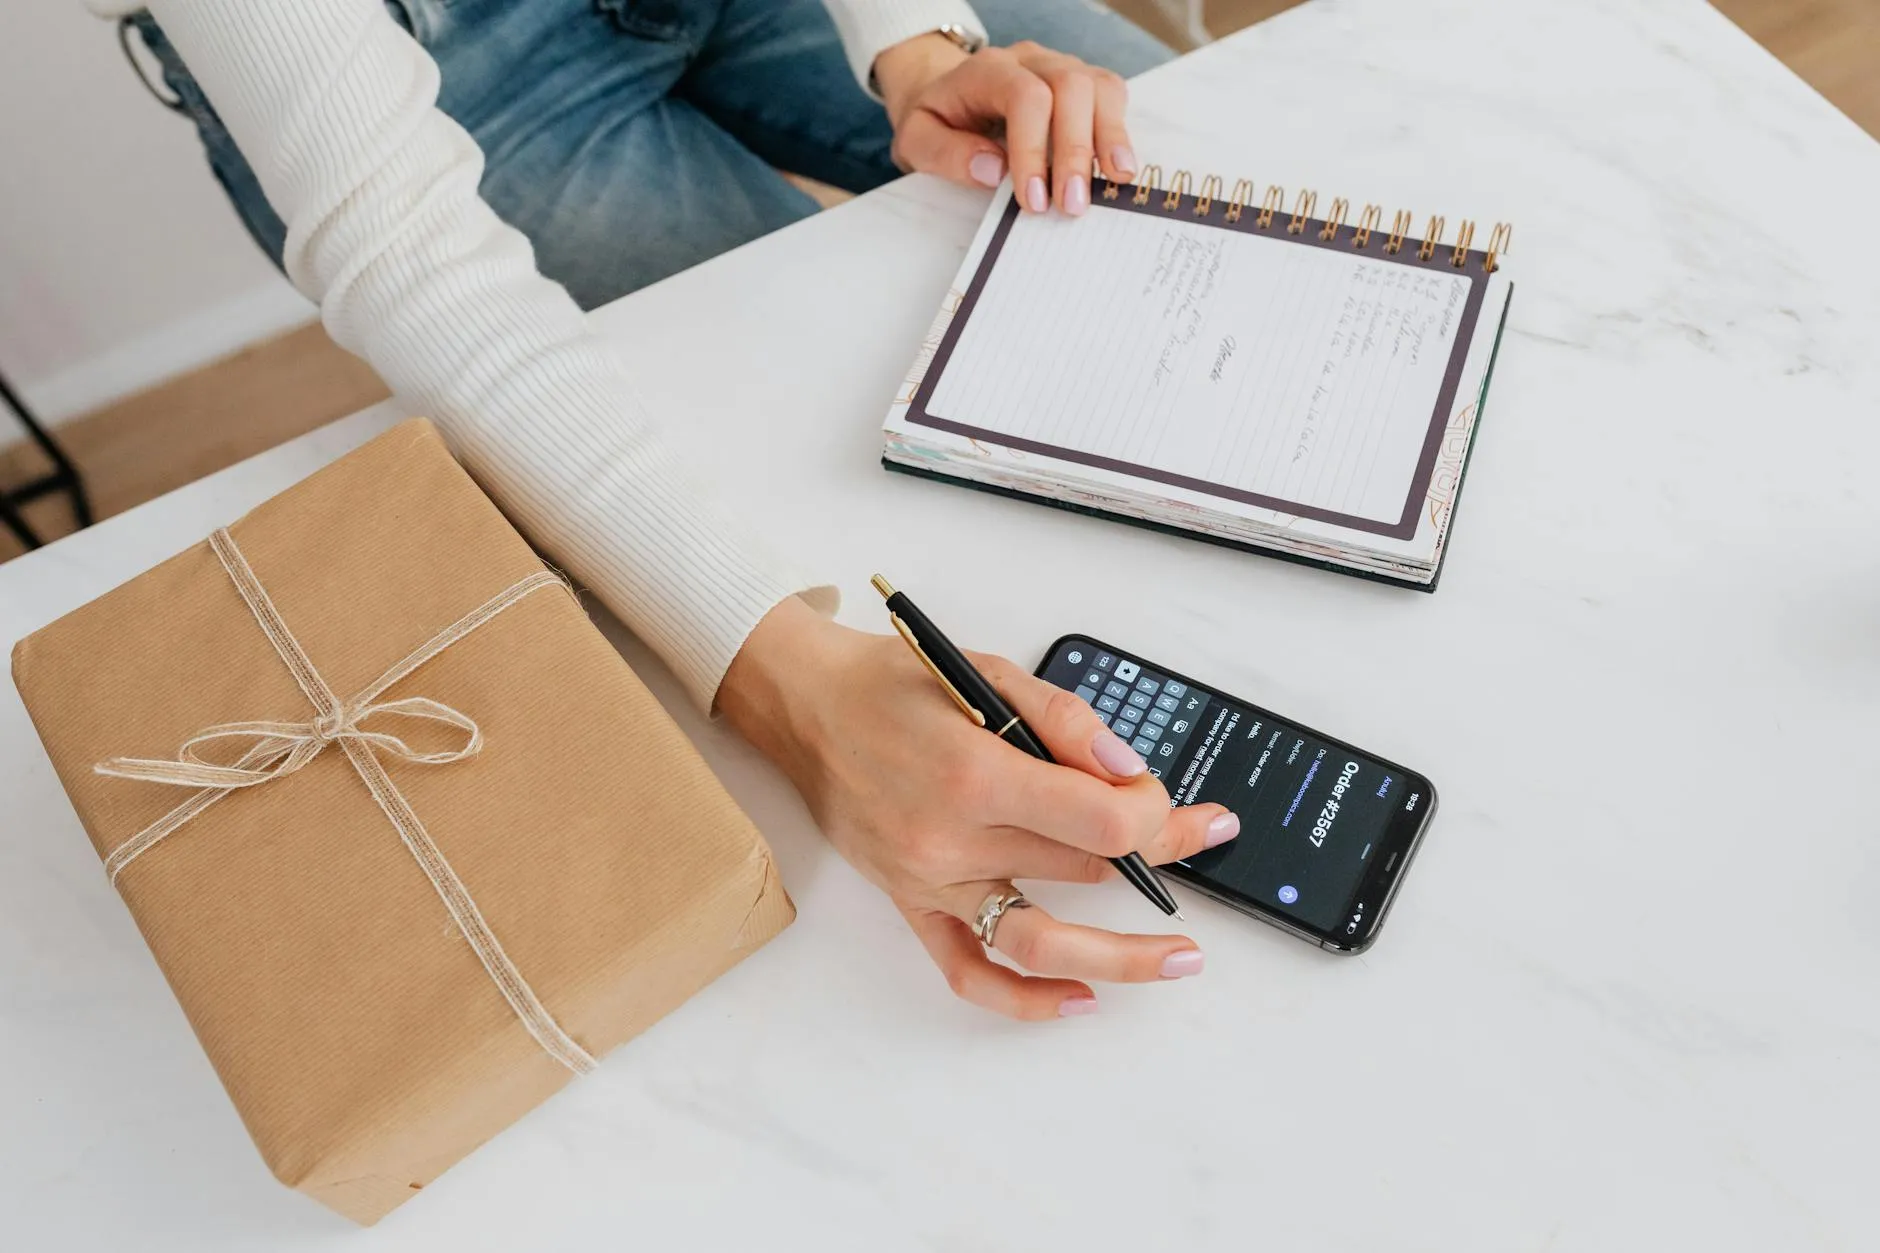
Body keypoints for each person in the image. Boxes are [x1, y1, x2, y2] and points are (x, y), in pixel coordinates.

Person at [104, 0, 1241, 1020]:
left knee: (1189, 162)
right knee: (801, 443)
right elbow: (410, 256)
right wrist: (784, 686)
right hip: (436, 57)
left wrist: (912, 37)